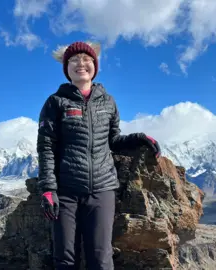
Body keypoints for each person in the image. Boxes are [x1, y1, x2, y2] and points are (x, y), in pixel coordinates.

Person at [36, 40, 161, 270]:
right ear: (66, 68)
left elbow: (113, 140)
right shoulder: (55, 102)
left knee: (101, 259)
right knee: (65, 259)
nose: (80, 64)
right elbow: (46, 147)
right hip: (66, 192)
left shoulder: (108, 102)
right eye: (73, 60)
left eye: (86, 59)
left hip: (102, 190)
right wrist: (47, 188)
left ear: (95, 65)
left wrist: (139, 138)